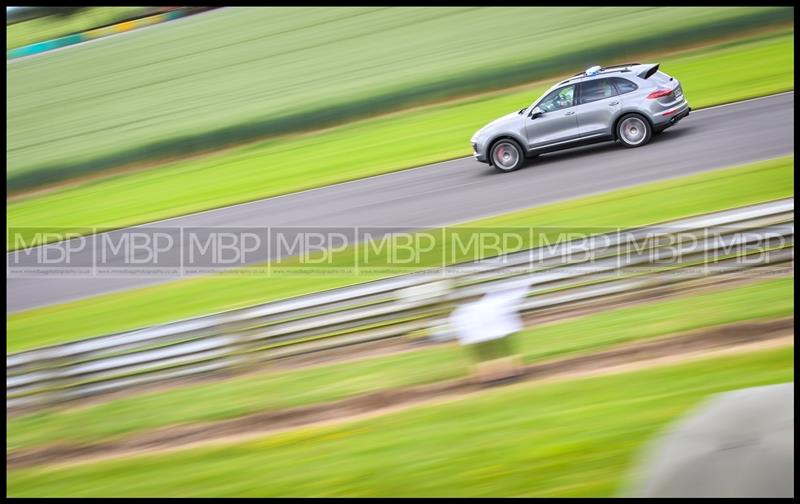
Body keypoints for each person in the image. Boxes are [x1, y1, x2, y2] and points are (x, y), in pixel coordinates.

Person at [449, 282, 529, 385]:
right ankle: (510, 370)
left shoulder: (464, 311)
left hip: (481, 331)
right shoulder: (495, 303)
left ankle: (486, 375)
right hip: (492, 329)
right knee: (501, 349)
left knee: (484, 352)